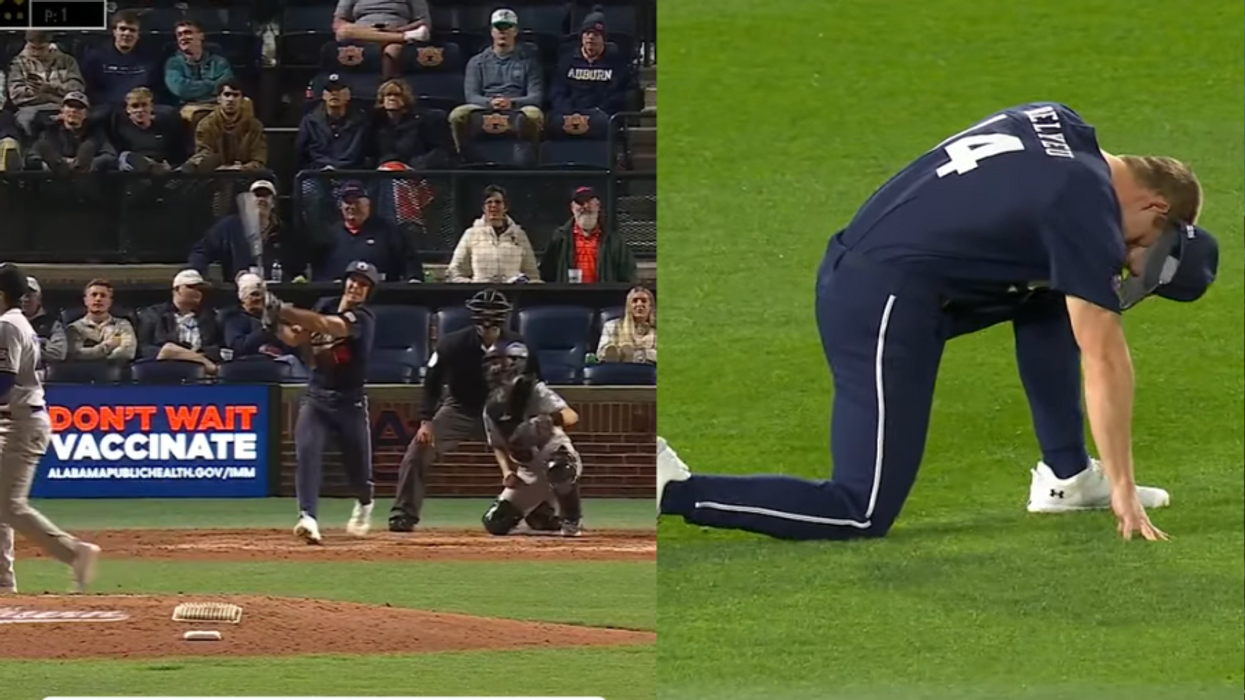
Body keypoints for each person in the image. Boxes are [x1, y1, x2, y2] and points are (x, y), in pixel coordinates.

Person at [657, 102, 1220, 543]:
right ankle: (676, 490)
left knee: (1052, 293)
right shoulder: (1085, 206)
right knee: (859, 510)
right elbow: (1103, 356)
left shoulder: (1059, 122)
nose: (1120, 261)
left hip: (892, 270)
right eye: (1135, 250)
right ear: (1155, 208)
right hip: (879, 301)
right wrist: (1124, 484)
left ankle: (1067, 478)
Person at [388, 288, 549, 532]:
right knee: (418, 451)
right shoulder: (452, 343)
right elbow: (432, 381)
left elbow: (535, 383)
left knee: (537, 455)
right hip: (461, 407)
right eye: (483, 314)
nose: (488, 321)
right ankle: (403, 514)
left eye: (494, 315)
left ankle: (541, 512)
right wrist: (426, 420)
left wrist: (532, 418)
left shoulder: (520, 345)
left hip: (505, 411)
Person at [0, 264, 101, 595]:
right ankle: (3, 583)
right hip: (18, 418)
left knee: (9, 505)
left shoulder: (7, 325)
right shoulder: (16, 323)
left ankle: (75, 552)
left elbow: (3, 380)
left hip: (18, 421)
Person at [267, 261, 379, 544]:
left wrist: (279, 307)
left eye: (363, 284)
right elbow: (295, 337)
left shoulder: (363, 318)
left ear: (368, 291)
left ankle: (365, 503)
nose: (355, 286)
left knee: (359, 472)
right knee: (307, 452)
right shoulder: (325, 303)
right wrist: (269, 318)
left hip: (349, 402)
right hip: (317, 396)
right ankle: (308, 517)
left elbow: (323, 325)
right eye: (353, 280)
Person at [480, 341, 584, 538]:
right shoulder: (491, 407)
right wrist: (507, 471)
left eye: (499, 362)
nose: (494, 368)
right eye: (490, 362)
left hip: (556, 455)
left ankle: (571, 519)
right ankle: (542, 512)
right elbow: (498, 445)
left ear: (516, 363)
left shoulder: (535, 390)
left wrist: (546, 420)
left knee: (559, 469)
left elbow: (572, 416)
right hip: (528, 471)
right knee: (496, 523)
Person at [540, 186, 637, 284]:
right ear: (572, 208)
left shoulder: (614, 240)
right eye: (580, 203)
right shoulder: (559, 238)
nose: (585, 206)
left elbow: (628, 275)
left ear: (598, 206)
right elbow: (547, 273)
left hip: (604, 297)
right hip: (568, 297)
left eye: (589, 201)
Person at [597, 286, 655, 363]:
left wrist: (639, 354)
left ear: (650, 306)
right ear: (628, 307)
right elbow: (600, 353)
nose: (639, 304)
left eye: (644, 301)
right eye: (634, 301)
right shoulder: (611, 326)